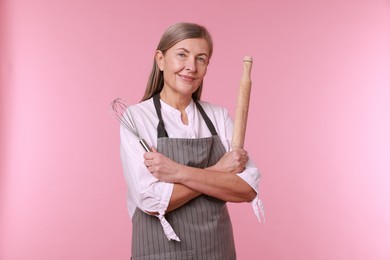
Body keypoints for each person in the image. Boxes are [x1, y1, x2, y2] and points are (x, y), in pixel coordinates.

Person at [120, 22, 264, 260]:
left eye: (201, 59)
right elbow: (151, 201)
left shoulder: (218, 116)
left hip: (217, 250)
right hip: (160, 252)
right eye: (182, 55)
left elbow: (247, 189)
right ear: (160, 59)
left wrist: (176, 172)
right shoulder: (137, 117)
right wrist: (218, 171)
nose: (191, 67)